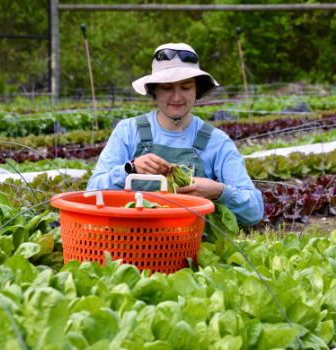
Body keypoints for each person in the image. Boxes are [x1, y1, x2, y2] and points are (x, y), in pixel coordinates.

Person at [88, 43, 263, 228]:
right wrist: (130, 168)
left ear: (197, 89)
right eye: (167, 87)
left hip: (190, 247)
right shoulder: (129, 131)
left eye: (186, 87)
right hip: (130, 242)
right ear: (154, 89)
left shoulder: (216, 141)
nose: (177, 97)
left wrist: (218, 191)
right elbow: (91, 192)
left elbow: (254, 211)